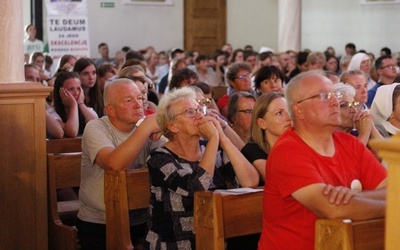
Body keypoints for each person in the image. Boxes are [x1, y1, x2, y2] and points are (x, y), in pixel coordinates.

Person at [258, 70, 387, 249]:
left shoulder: (349, 143)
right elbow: (332, 209)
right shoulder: (287, 151)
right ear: (299, 110)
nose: (335, 102)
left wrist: (358, 196)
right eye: (325, 96)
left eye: (336, 95)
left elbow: (391, 189)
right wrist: (392, 207)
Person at [144, 87, 259, 249]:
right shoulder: (159, 158)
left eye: (199, 110)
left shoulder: (212, 148)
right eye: (190, 112)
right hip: (173, 244)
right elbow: (197, 186)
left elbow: (251, 181)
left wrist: (223, 139)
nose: (199, 116)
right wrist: (213, 139)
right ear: (172, 126)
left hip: (215, 238)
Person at [77, 78, 163, 250]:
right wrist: (146, 128)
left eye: (139, 98)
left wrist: (165, 129)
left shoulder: (146, 128)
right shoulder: (96, 128)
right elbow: (114, 164)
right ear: (111, 110)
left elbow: (176, 158)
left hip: (143, 218)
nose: (139, 105)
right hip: (101, 222)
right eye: (129, 100)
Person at [241, 92, 291, 182]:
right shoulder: (252, 150)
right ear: (262, 123)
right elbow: (277, 181)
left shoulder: (300, 144)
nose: (289, 118)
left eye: (289, 111)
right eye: (279, 113)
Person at [49, 71, 98, 137]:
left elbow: (97, 125)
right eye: (71, 89)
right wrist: (73, 105)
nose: (76, 93)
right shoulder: (52, 113)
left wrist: (81, 103)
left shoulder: (86, 110)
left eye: (78, 89)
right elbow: (72, 132)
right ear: (60, 92)